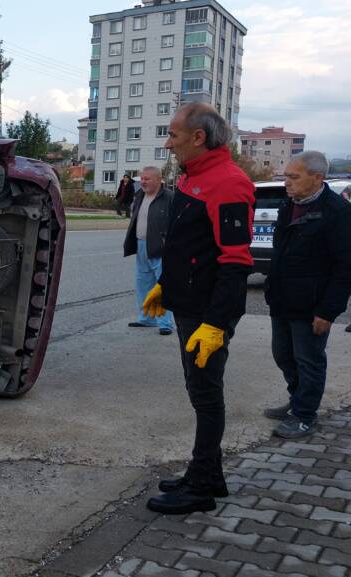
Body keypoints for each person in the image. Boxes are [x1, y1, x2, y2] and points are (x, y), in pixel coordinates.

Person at [142, 103, 255, 515]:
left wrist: (217, 324)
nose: (168, 143)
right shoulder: (194, 178)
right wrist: (164, 286)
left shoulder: (228, 183)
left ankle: (202, 487)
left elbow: (235, 261)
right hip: (188, 306)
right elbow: (189, 249)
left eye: (173, 135)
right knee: (198, 391)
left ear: (198, 137)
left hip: (208, 315)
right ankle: (209, 473)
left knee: (206, 396)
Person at [262, 151, 351, 438]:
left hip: (312, 305)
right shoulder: (290, 205)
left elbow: (345, 267)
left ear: (317, 178)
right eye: (286, 176)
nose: (286, 182)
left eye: (293, 177)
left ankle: (304, 414)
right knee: (283, 355)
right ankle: (296, 398)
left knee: (309, 360)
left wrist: (327, 311)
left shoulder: (338, 212)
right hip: (283, 299)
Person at [124, 166, 175, 335]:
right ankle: (147, 318)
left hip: (160, 248)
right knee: (143, 283)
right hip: (141, 245)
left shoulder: (169, 197)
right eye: (142, 178)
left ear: (159, 179)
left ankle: (165, 323)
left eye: (147, 179)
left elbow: (176, 223)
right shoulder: (139, 196)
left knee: (162, 285)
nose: (143, 182)